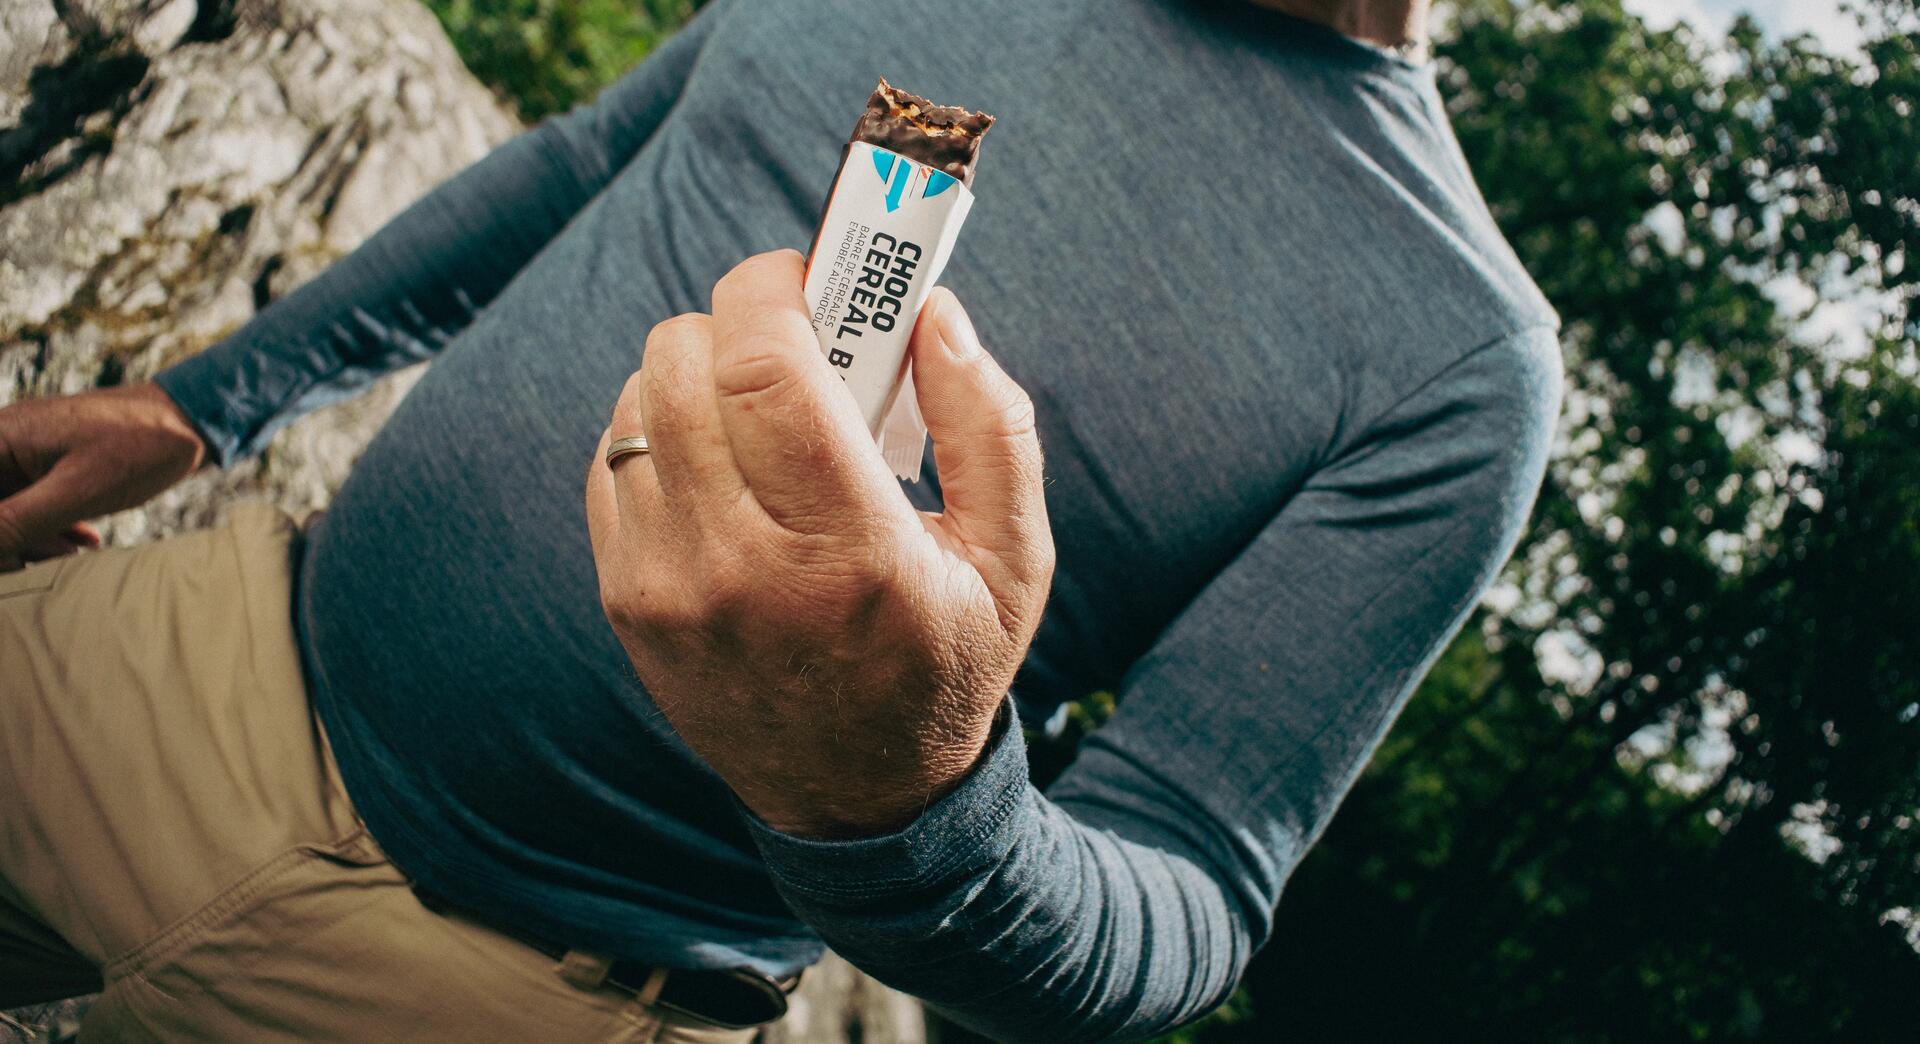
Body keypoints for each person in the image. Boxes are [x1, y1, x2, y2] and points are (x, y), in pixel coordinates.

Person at [0, 0, 1561, 1039]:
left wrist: (913, 800)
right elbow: (588, 163)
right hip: (176, 654)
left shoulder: (1461, 355)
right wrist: (199, 405)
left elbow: (1191, 891)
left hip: (516, 1000)